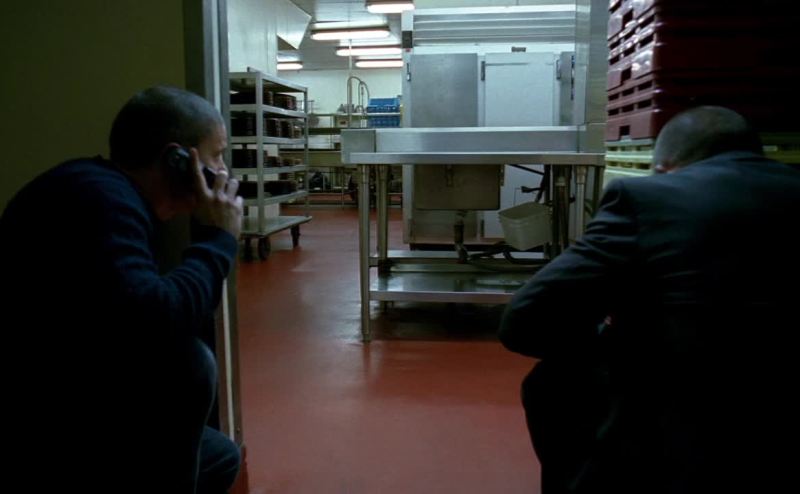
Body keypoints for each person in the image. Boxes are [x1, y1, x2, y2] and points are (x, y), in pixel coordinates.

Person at [498, 106, 800, 493]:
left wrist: (608, 338)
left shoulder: (647, 197)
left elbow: (525, 321)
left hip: (686, 413)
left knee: (553, 383)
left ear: (663, 167)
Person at [0, 87, 243, 493]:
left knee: (219, 456)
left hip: (79, 373)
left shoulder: (114, 195)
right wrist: (219, 239)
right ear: (177, 160)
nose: (223, 173)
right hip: (40, 404)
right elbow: (156, 321)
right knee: (188, 366)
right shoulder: (98, 200)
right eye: (216, 156)